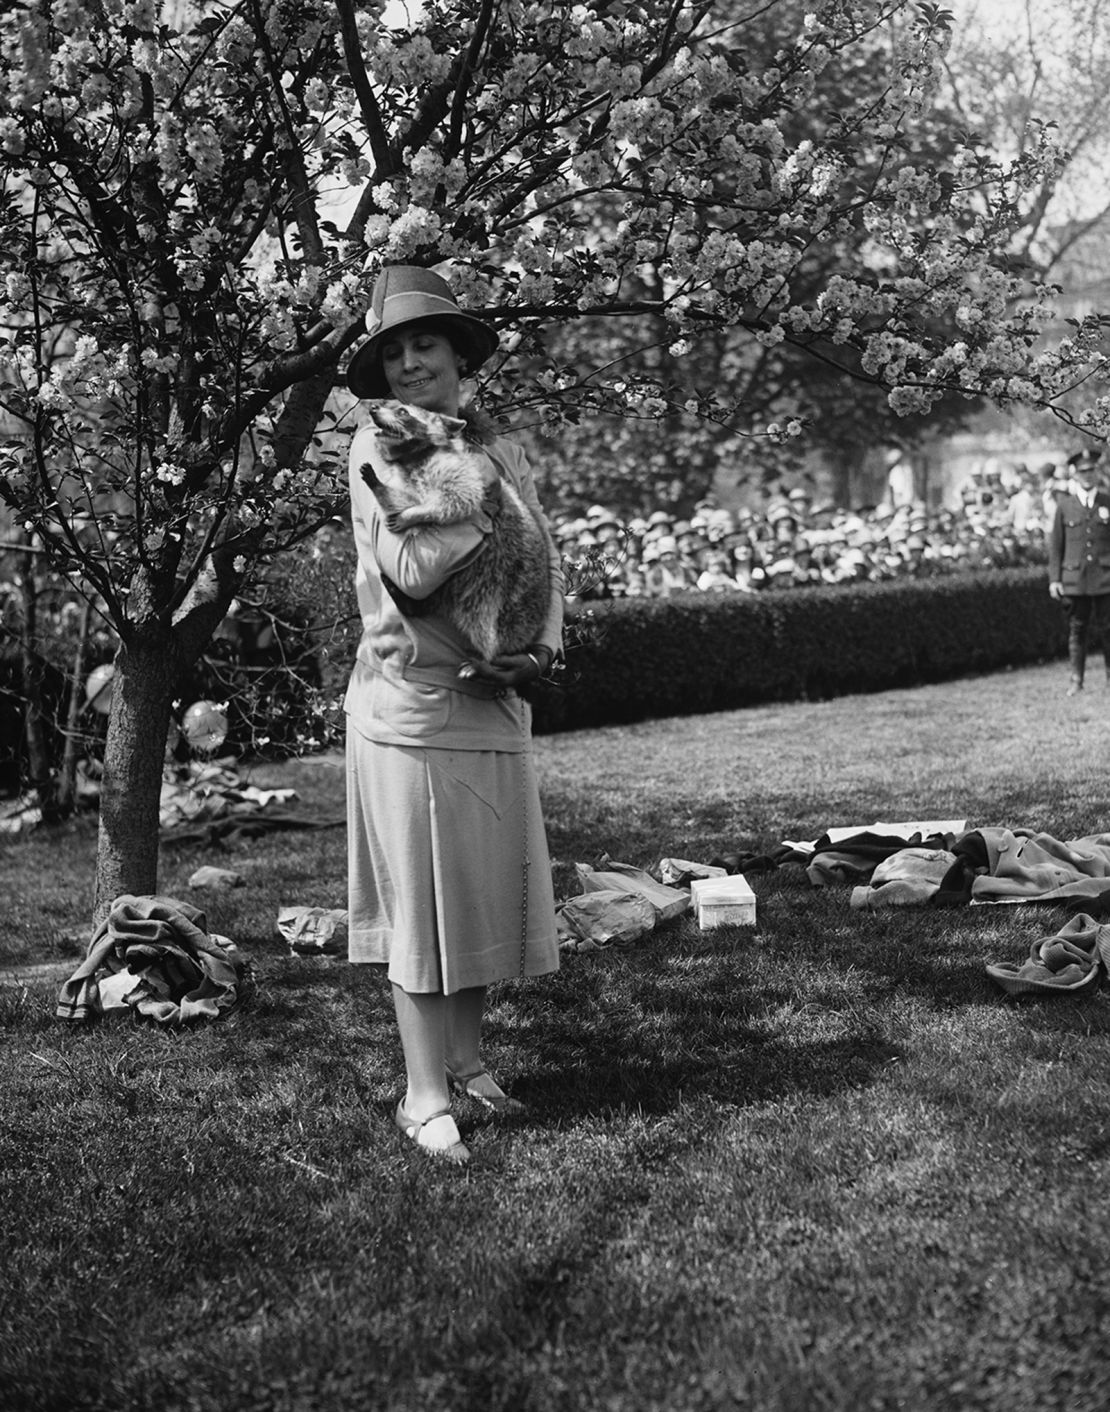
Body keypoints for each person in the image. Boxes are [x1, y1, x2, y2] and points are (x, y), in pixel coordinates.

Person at [344, 265, 565, 1164]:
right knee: (422, 911)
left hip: (491, 701)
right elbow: (414, 569)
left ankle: (468, 1062)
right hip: (412, 710)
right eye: (392, 352)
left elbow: (547, 558)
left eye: (423, 344)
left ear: (457, 353)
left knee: (471, 898)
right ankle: (422, 1092)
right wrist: (479, 501)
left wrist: (540, 650)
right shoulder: (378, 449)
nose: (407, 364)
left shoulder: (497, 447)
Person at [1048, 446, 1110, 696]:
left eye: (1091, 470)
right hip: (1075, 577)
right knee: (1077, 629)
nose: (1088, 475)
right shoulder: (1065, 505)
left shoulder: (1108, 501)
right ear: (1075, 475)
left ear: (1097, 472)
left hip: (1106, 577)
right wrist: (1055, 579)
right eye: (1083, 471)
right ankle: (1076, 680)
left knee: (1109, 628)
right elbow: (1056, 545)